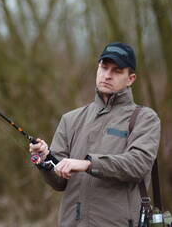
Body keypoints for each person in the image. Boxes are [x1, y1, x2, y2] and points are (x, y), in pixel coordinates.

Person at [29, 42, 160, 227]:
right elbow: (59, 183)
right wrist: (45, 162)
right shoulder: (70, 119)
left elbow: (138, 164)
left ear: (130, 78)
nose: (107, 75)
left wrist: (89, 164)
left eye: (116, 70)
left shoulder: (145, 118)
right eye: (104, 68)